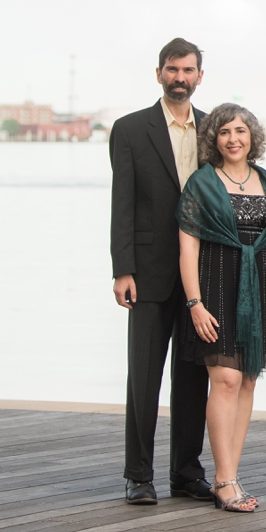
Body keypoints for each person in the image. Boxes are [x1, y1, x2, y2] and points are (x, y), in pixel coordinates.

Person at [108, 38, 212, 506]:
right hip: (147, 274)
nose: (179, 78)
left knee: (194, 379)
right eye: (172, 70)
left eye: (187, 70)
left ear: (199, 77)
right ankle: (138, 475)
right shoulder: (130, 129)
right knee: (144, 377)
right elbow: (122, 205)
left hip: (203, 277)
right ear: (158, 74)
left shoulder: (214, 129)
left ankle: (187, 473)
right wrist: (122, 269)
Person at [177, 103, 266, 511]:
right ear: (214, 139)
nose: (233, 139)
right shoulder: (202, 183)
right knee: (224, 379)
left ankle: (232, 474)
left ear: (252, 137)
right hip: (215, 288)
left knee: (247, 380)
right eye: (225, 132)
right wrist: (195, 303)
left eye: (241, 131)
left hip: (259, 290)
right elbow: (187, 248)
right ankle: (223, 480)